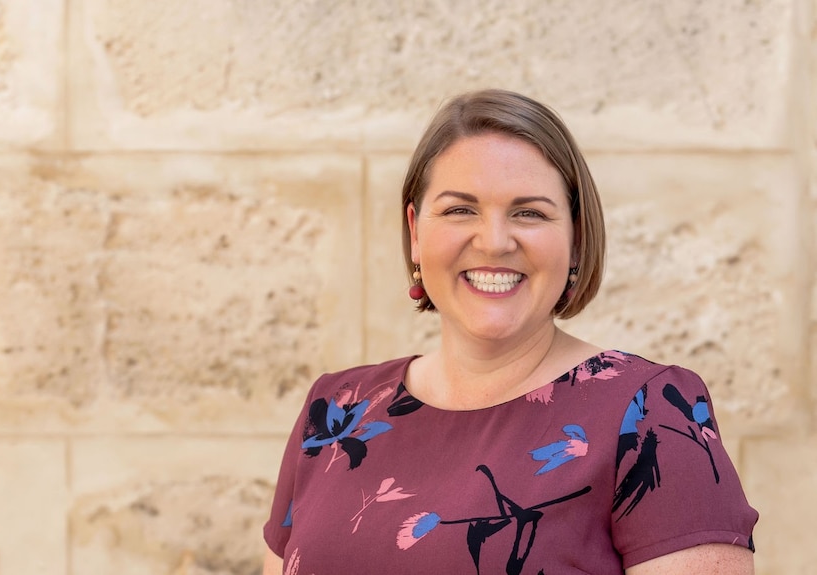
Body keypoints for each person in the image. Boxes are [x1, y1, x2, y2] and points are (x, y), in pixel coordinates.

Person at [262, 89, 758, 574]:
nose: (495, 241)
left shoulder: (652, 413)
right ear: (415, 232)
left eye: (529, 213)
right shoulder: (335, 411)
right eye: (460, 210)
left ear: (576, 237)